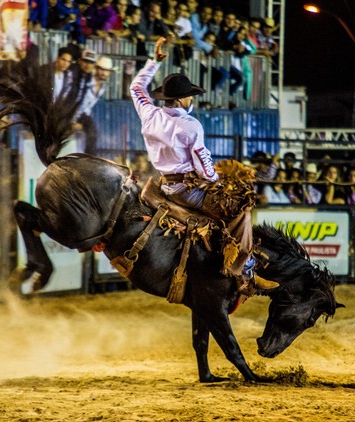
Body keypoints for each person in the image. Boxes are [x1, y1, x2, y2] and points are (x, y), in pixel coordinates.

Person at [130, 37, 278, 292]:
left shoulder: (149, 113)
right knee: (239, 209)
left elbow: (136, 88)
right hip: (188, 191)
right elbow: (203, 165)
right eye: (188, 96)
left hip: (165, 184)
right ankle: (245, 270)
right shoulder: (189, 125)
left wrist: (154, 61)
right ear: (180, 100)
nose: (190, 100)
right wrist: (217, 182)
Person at [73, 55, 116, 154]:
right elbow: (74, 101)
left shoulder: (103, 86)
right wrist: (72, 121)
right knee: (91, 132)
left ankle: (89, 159)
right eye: (102, 69)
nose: (104, 73)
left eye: (107, 71)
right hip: (71, 113)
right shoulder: (85, 81)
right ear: (96, 69)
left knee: (93, 134)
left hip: (83, 115)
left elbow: (88, 107)